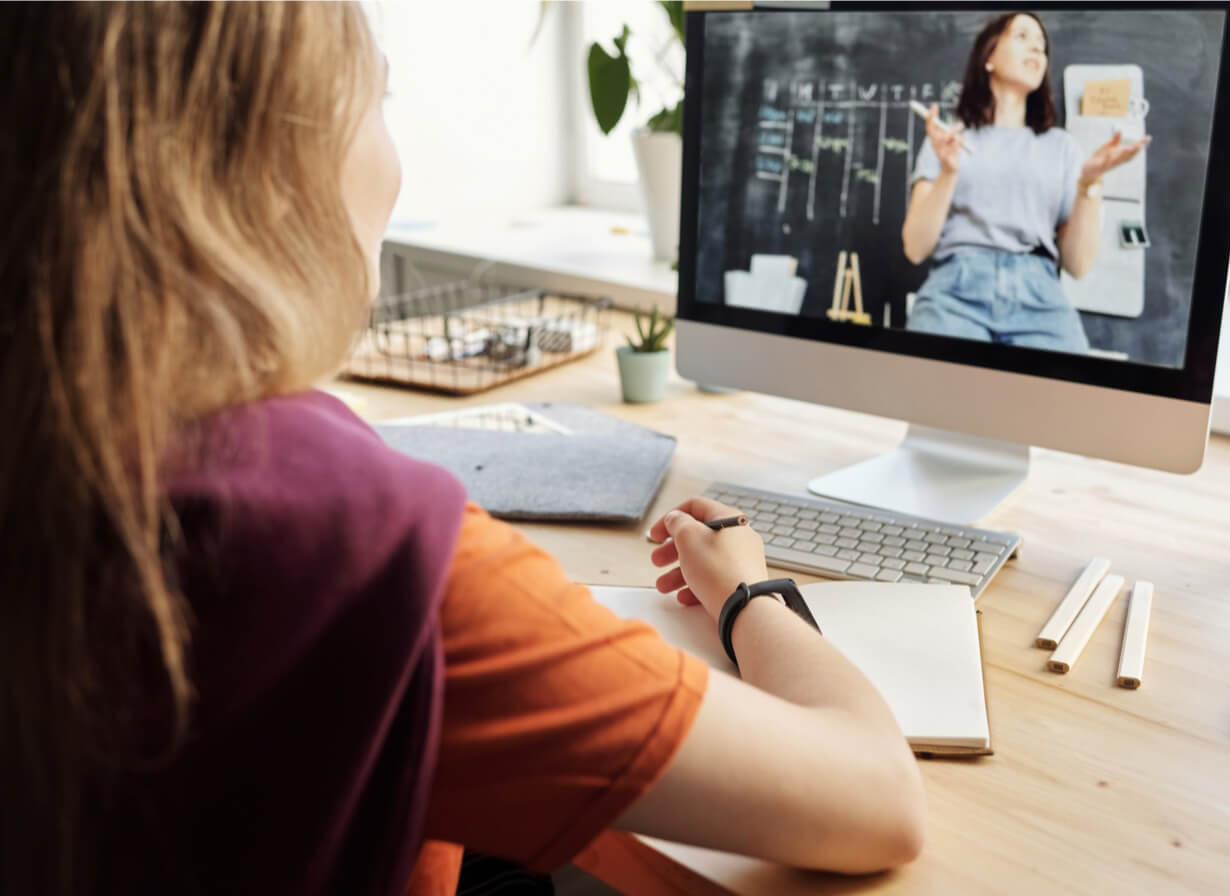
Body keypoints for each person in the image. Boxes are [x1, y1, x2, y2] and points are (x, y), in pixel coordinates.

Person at [0, 4, 926, 895]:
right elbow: (875, 799)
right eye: (379, 104)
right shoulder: (361, 545)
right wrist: (749, 590)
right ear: (272, 159)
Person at [901, 11, 1150, 352]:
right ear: (988, 56)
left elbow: (1077, 265)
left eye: (1041, 45)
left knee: (1069, 396)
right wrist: (948, 171)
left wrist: (1089, 184)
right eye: (1022, 37)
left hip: (1039, 295)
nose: (1036, 49)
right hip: (955, 290)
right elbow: (915, 248)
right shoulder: (949, 139)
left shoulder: (1061, 146)